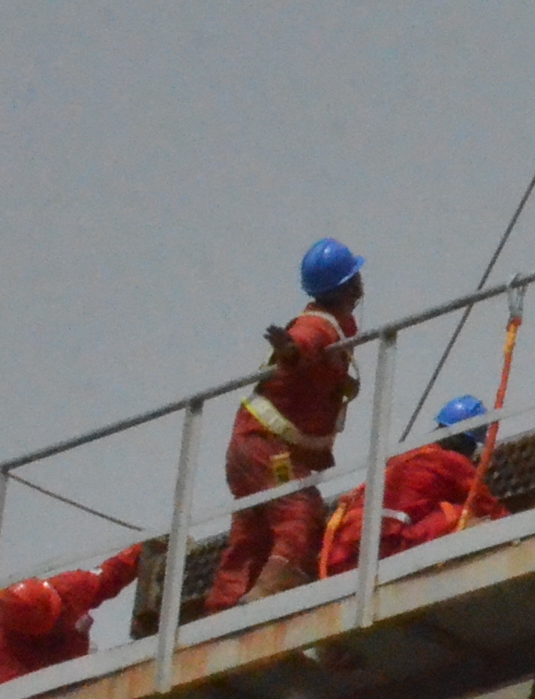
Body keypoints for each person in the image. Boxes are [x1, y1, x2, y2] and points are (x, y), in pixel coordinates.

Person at [206, 237, 366, 609]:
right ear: (349, 286)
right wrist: (290, 350)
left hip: (252, 446)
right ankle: (272, 594)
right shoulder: (319, 328)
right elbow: (301, 346)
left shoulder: (334, 326)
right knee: (299, 510)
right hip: (269, 448)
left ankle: (223, 608)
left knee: (254, 532)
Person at [319, 392, 510, 576]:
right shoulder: (451, 462)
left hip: (340, 555)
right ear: (466, 441)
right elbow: (486, 505)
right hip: (381, 548)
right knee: (460, 514)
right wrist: (517, 530)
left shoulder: (407, 458)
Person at [0, 543, 146, 689]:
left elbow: (112, 573)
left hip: (77, 665)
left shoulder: (69, 588)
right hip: (39, 687)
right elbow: (5, 688)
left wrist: (143, 549)